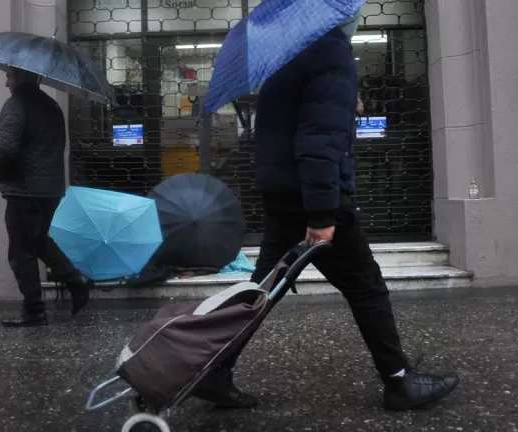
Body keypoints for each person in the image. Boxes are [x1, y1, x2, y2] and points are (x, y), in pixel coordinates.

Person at [192, 26, 459, 411]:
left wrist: (344, 102)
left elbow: (296, 119)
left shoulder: (289, 49)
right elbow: (316, 143)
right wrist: (321, 215)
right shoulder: (329, 50)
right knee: (366, 287)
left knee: (261, 290)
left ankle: (214, 369)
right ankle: (400, 381)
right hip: (312, 199)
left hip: (283, 193)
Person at [0, 67, 91, 328]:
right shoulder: (51, 105)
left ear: (20, 77)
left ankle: (34, 311)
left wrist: (3, 178)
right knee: (37, 240)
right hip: (50, 189)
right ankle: (75, 281)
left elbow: (4, 147)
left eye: (9, 76)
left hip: (25, 190)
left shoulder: (17, 104)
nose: (6, 82)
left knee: (20, 251)